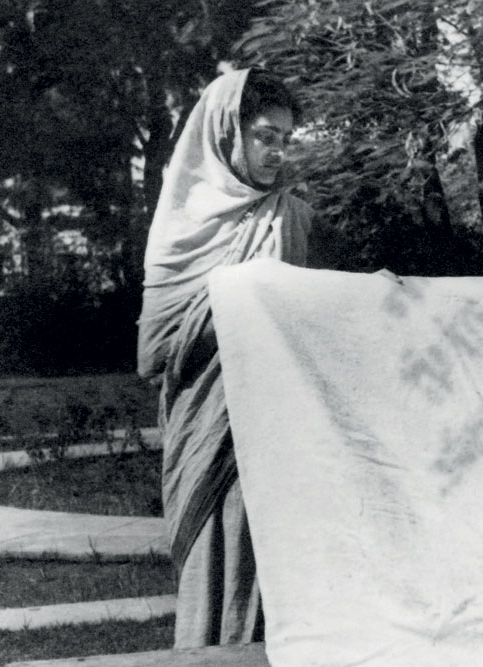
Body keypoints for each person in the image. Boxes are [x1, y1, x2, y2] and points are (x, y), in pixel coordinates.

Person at [136, 68, 312, 648]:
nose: (276, 151)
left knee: (272, 576)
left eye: (285, 139)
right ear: (225, 132)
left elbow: (306, 322)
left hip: (270, 429)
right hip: (204, 426)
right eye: (265, 135)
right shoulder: (178, 229)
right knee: (209, 562)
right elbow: (155, 350)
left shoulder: (291, 217)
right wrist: (235, 305)